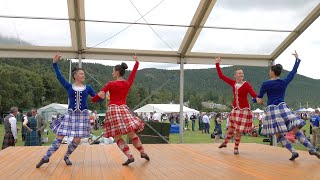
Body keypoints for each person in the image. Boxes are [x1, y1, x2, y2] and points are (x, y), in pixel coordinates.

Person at [36, 53, 103, 168]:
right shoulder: (68, 86)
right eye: (81, 74)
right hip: (71, 115)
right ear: (75, 76)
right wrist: (54, 64)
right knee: (60, 137)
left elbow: (95, 100)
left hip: (83, 117)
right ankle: (46, 157)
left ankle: (67, 156)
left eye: (83, 74)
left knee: (77, 139)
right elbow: (59, 77)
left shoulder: (88, 88)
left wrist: (101, 98)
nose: (83, 75)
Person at [255, 51, 320, 160]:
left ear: (272, 72)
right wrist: (297, 60)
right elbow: (293, 72)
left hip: (272, 110)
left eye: (270, 70)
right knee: (296, 130)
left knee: (279, 135)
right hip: (283, 108)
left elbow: (259, 97)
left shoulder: (266, 84)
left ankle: (293, 152)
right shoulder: (283, 82)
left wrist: (257, 101)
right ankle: (311, 148)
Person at [92, 55, 150, 166]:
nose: (112, 73)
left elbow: (98, 97)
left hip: (113, 110)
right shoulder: (127, 83)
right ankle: (142, 152)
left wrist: (94, 98)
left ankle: (129, 156)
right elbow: (133, 74)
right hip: (123, 109)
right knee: (131, 133)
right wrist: (137, 63)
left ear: (117, 72)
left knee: (117, 136)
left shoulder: (111, 84)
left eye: (113, 71)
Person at [215, 57, 258, 154]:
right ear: (235, 75)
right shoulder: (233, 83)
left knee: (238, 130)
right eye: (239, 73)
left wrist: (257, 97)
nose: (241, 74)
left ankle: (236, 147)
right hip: (235, 109)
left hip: (243, 110)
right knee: (230, 128)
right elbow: (221, 76)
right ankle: (225, 142)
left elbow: (252, 93)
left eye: (242, 73)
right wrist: (217, 64)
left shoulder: (246, 84)